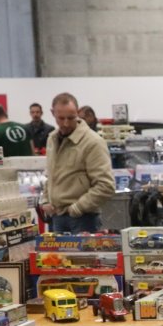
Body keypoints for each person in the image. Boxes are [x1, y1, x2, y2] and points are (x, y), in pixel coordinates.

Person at [44, 92, 116, 233]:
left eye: (71, 118)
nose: (65, 123)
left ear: (77, 113)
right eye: (61, 118)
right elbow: (51, 174)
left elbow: (106, 185)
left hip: (83, 219)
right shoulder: (52, 139)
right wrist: (45, 200)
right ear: (52, 113)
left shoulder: (93, 142)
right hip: (57, 217)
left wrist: (77, 208)